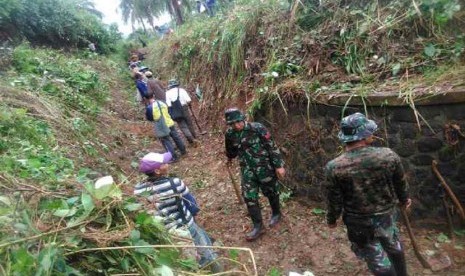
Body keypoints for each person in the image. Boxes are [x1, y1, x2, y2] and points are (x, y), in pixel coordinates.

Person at [325, 112, 411, 276]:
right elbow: (400, 182)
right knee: (393, 245)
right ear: (363, 135)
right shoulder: (388, 156)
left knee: (377, 260)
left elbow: (334, 199)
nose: (372, 134)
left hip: (359, 223)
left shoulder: (334, 167)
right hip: (386, 216)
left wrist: (332, 219)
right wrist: (404, 199)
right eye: (370, 131)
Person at [134, 152, 222, 273]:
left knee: (186, 258)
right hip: (186, 225)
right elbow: (192, 204)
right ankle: (216, 268)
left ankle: (197, 269)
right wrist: (193, 215)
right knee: (205, 249)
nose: (167, 164)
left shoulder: (139, 190)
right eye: (164, 163)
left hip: (167, 232)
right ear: (158, 171)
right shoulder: (174, 182)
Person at [224, 108, 286, 241]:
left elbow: (271, 146)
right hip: (247, 170)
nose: (236, 126)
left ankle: (276, 213)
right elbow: (231, 150)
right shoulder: (230, 133)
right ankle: (258, 226)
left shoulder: (257, 128)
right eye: (232, 124)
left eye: (238, 122)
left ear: (243, 119)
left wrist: (279, 165)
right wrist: (229, 158)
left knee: (271, 192)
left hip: (264, 168)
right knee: (249, 197)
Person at [146, 94, 186, 161]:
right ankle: (183, 150)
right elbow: (169, 111)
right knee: (176, 137)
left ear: (146, 99)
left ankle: (174, 157)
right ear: (153, 96)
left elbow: (150, 118)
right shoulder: (163, 102)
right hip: (170, 122)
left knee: (166, 141)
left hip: (162, 126)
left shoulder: (150, 108)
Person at [165, 79, 199, 147]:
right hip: (184, 108)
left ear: (170, 86)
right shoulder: (181, 90)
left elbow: (168, 105)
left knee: (183, 126)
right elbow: (189, 100)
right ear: (176, 84)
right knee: (189, 123)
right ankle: (194, 137)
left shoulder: (167, 93)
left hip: (175, 110)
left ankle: (191, 140)